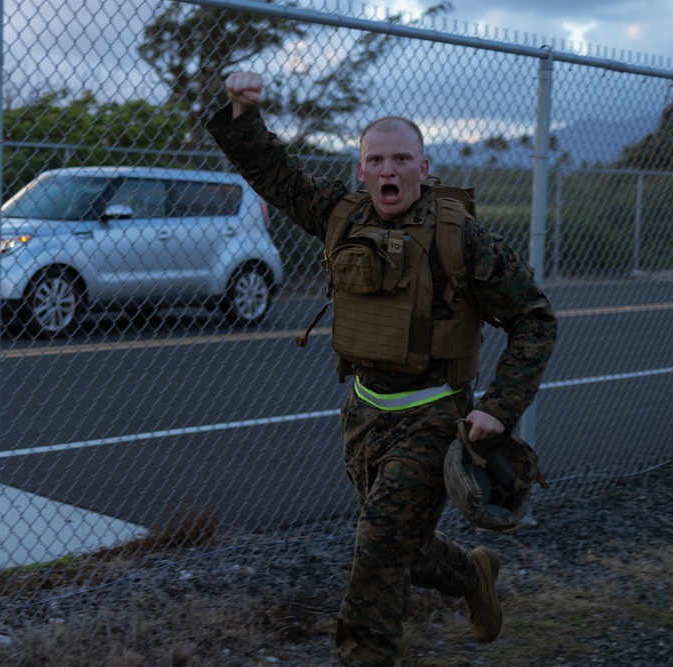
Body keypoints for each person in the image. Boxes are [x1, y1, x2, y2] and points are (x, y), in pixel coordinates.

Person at [206, 71, 558, 666]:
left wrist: (498, 407)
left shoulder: (463, 240)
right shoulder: (341, 215)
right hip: (364, 412)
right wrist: (243, 112)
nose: (388, 170)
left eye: (401, 159)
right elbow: (272, 171)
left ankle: (366, 654)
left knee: (376, 549)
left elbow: (535, 318)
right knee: (404, 546)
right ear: (362, 169)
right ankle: (473, 578)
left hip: (433, 416)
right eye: (376, 159)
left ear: (424, 169)